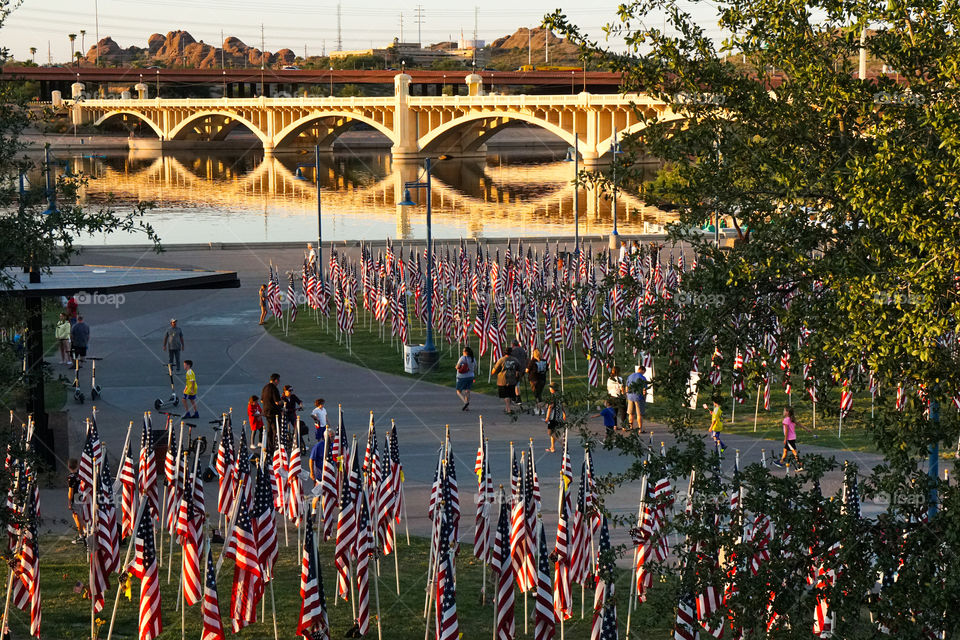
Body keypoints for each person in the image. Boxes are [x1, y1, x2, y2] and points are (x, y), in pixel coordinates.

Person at [773, 406, 811, 470]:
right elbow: (799, 424)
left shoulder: (786, 420)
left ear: (787, 412)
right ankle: (781, 462)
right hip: (792, 438)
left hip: (789, 439)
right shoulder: (791, 419)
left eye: (784, 411)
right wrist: (807, 429)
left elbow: (787, 430)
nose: (783, 412)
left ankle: (800, 464)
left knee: (794, 452)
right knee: (785, 450)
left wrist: (785, 439)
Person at [491, 347, 521, 414]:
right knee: (510, 394)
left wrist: (493, 373)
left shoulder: (501, 360)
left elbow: (494, 370)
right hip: (512, 379)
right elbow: (518, 369)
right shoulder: (515, 360)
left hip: (502, 379)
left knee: (505, 395)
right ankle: (508, 407)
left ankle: (508, 409)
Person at [543, 382, 566, 452]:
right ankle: (552, 447)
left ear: (553, 389)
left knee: (550, 432)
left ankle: (562, 443)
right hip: (558, 417)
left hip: (553, 417)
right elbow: (562, 406)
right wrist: (564, 413)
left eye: (550, 387)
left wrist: (547, 417)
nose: (549, 389)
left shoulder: (552, 397)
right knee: (554, 432)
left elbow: (550, 407)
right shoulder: (559, 396)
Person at [66, 458, 84, 545]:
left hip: (76, 498)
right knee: (83, 516)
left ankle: (81, 535)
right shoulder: (81, 474)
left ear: (69, 466)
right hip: (83, 496)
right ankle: (86, 532)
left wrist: (69, 502)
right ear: (77, 465)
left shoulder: (71, 477)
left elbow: (71, 491)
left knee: (77, 517)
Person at [625, 364, 647, 432]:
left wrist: (627, 395)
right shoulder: (643, 378)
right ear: (642, 370)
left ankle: (631, 427)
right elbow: (644, 390)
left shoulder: (630, 376)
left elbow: (626, 387)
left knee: (631, 413)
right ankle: (640, 429)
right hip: (638, 397)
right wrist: (644, 397)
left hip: (630, 396)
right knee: (639, 414)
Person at [526, 348, 548, 415]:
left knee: (536, 395)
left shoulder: (532, 362)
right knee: (540, 394)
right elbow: (547, 369)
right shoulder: (544, 361)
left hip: (534, 380)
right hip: (542, 379)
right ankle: (540, 408)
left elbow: (527, 370)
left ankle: (539, 409)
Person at [455, 346, 476, 411]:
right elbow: (475, 367)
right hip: (471, 376)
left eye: (463, 351)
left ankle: (465, 402)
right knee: (467, 390)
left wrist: (457, 366)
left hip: (462, 377)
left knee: (458, 391)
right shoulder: (473, 359)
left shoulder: (462, 358)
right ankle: (466, 407)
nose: (462, 352)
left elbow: (457, 367)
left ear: (466, 352)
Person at [510, 340, 528, 409]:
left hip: (516, 369)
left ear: (513, 344)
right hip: (522, 369)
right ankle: (515, 397)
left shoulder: (513, 350)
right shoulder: (522, 350)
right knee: (517, 383)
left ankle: (517, 398)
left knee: (516, 384)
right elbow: (526, 357)